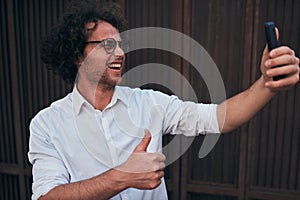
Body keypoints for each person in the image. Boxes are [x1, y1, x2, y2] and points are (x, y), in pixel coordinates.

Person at [28, 0, 300, 199]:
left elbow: (220, 118)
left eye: (122, 45)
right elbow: (47, 197)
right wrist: (122, 177)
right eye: (108, 45)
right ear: (77, 55)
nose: (121, 52)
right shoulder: (47, 125)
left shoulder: (150, 104)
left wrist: (267, 84)